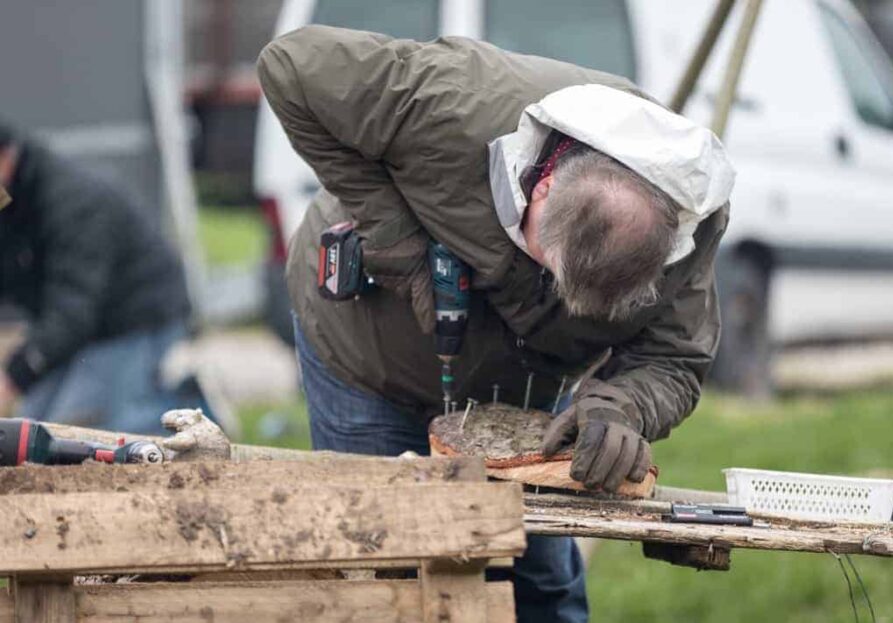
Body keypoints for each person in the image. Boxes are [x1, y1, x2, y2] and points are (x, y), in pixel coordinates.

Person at [258, 26, 734, 623]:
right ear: (546, 184)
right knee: (386, 562)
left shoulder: (691, 225)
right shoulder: (454, 102)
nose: (553, 295)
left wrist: (620, 408)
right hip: (370, 353)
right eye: (548, 265)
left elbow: (675, 358)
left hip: (522, 399)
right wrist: (397, 240)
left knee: (540, 586)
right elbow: (290, 65)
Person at [0, 123, 195, 434]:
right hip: (84, 331)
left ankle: (188, 401)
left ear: (6, 158)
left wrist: (15, 375)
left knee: (80, 430)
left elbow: (73, 308)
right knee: (30, 427)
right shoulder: (10, 201)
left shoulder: (72, 201)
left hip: (134, 321)